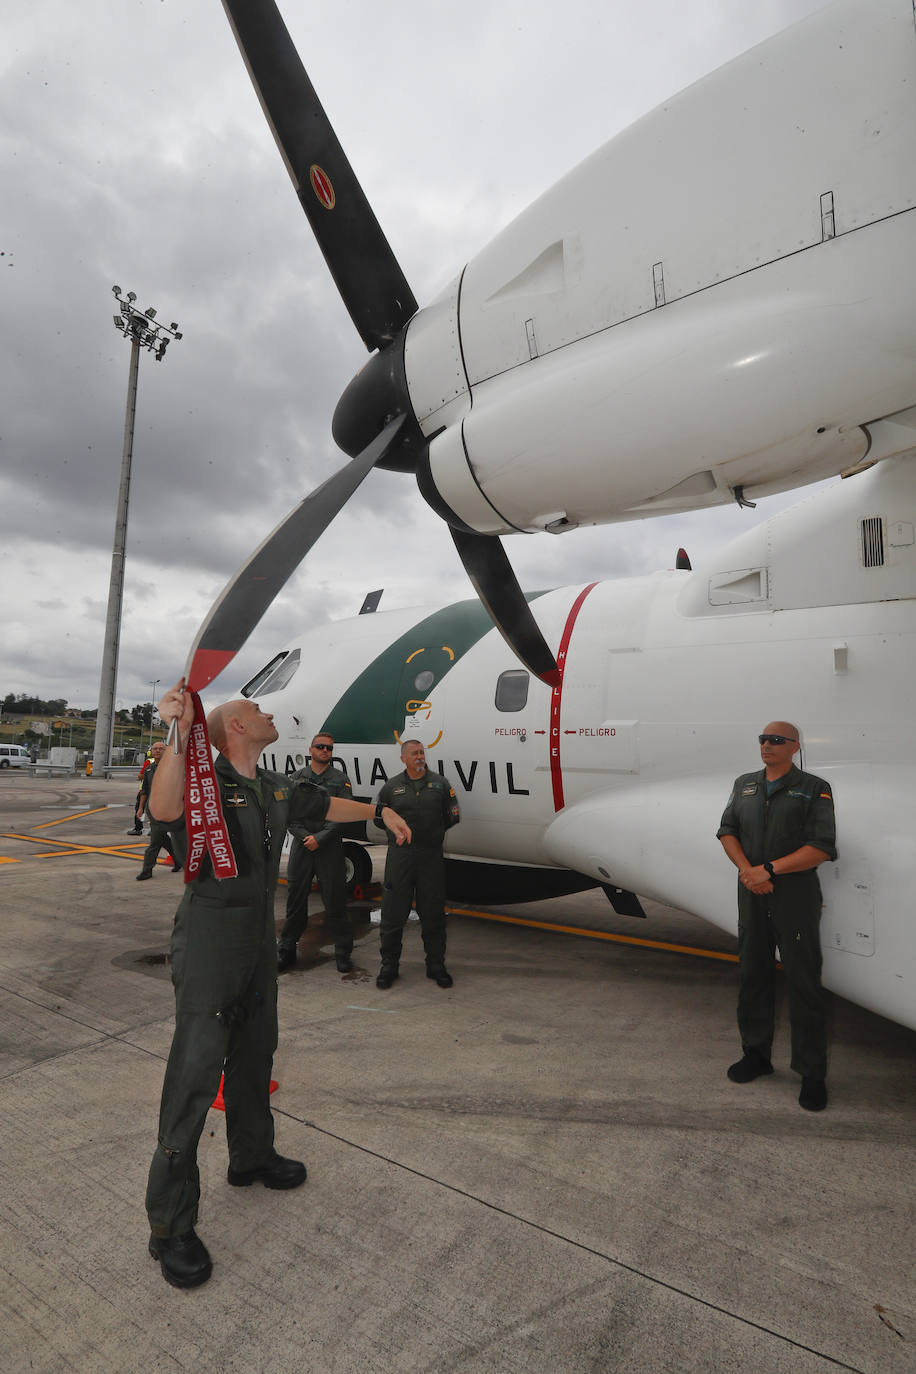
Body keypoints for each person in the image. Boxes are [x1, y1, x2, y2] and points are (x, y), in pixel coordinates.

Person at [144, 681, 410, 1289]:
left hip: (257, 940)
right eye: (256, 710)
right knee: (194, 1073)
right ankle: (169, 1225)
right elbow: (163, 809)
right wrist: (177, 731)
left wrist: (377, 809)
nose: (267, 713)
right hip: (211, 935)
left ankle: (252, 1155)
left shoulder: (273, 786)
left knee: (257, 1049)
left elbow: (322, 806)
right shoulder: (202, 780)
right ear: (235, 727)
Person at [717, 722, 837, 1112]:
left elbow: (820, 847)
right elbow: (727, 831)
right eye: (763, 740)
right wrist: (748, 872)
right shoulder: (744, 784)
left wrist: (767, 870)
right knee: (753, 974)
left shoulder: (814, 787)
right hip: (751, 891)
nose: (767, 745)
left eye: (776, 740)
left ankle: (812, 1073)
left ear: (795, 747)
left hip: (794, 896)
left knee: (803, 982)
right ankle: (756, 1055)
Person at [373, 739, 460, 991]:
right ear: (403, 758)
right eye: (414, 753)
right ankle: (389, 966)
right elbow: (380, 818)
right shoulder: (391, 787)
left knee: (433, 914)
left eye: (422, 752)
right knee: (392, 915)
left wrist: (429, 836)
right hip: (400, 858)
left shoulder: (440, 784)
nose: (419, 756)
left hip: (430, 858)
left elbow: (451, 816)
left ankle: (436, 966)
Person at [277, 731, 355, 973]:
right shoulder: (297, 778)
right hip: (302, 847)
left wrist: (320, 838)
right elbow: (288, 814)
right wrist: (304, 837)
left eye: (330, 748)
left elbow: (343, 814)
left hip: (329, 847)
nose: (325, 751)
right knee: (296, 900)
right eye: (321, 747)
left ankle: (343, 953)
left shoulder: (340, 780)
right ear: (310, 750)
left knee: (335, 902)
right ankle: (287, 950)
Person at [135, 741, 186, 879]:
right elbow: (144, 790)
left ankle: (149, 869)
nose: (157, 751)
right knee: (158, 839)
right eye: (155, 749)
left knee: (159, 839)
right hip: (156, 810)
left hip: (174, 809)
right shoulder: (149, 769)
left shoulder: (176, 767)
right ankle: (148, 870)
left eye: (161, 749)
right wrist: (141, 808)